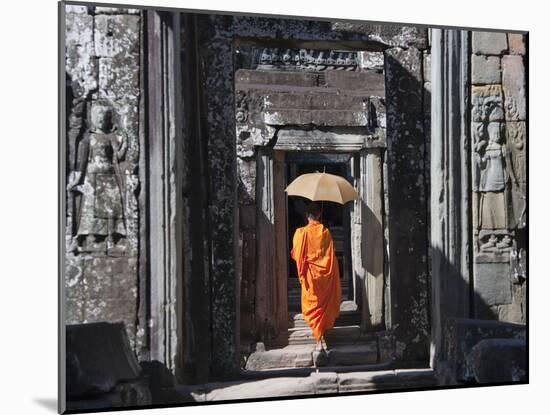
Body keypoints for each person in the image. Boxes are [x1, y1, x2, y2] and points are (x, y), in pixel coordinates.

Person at [290, 202, 341, 352]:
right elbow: (331, 255)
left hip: (310, 277)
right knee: (324, 304)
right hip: (324, 277)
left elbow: (295, 254)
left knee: (313, 304)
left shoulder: (300, 233)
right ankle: (322, 334)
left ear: (307, 216)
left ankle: (318, 337)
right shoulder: (325, 232)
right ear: (319, 215)